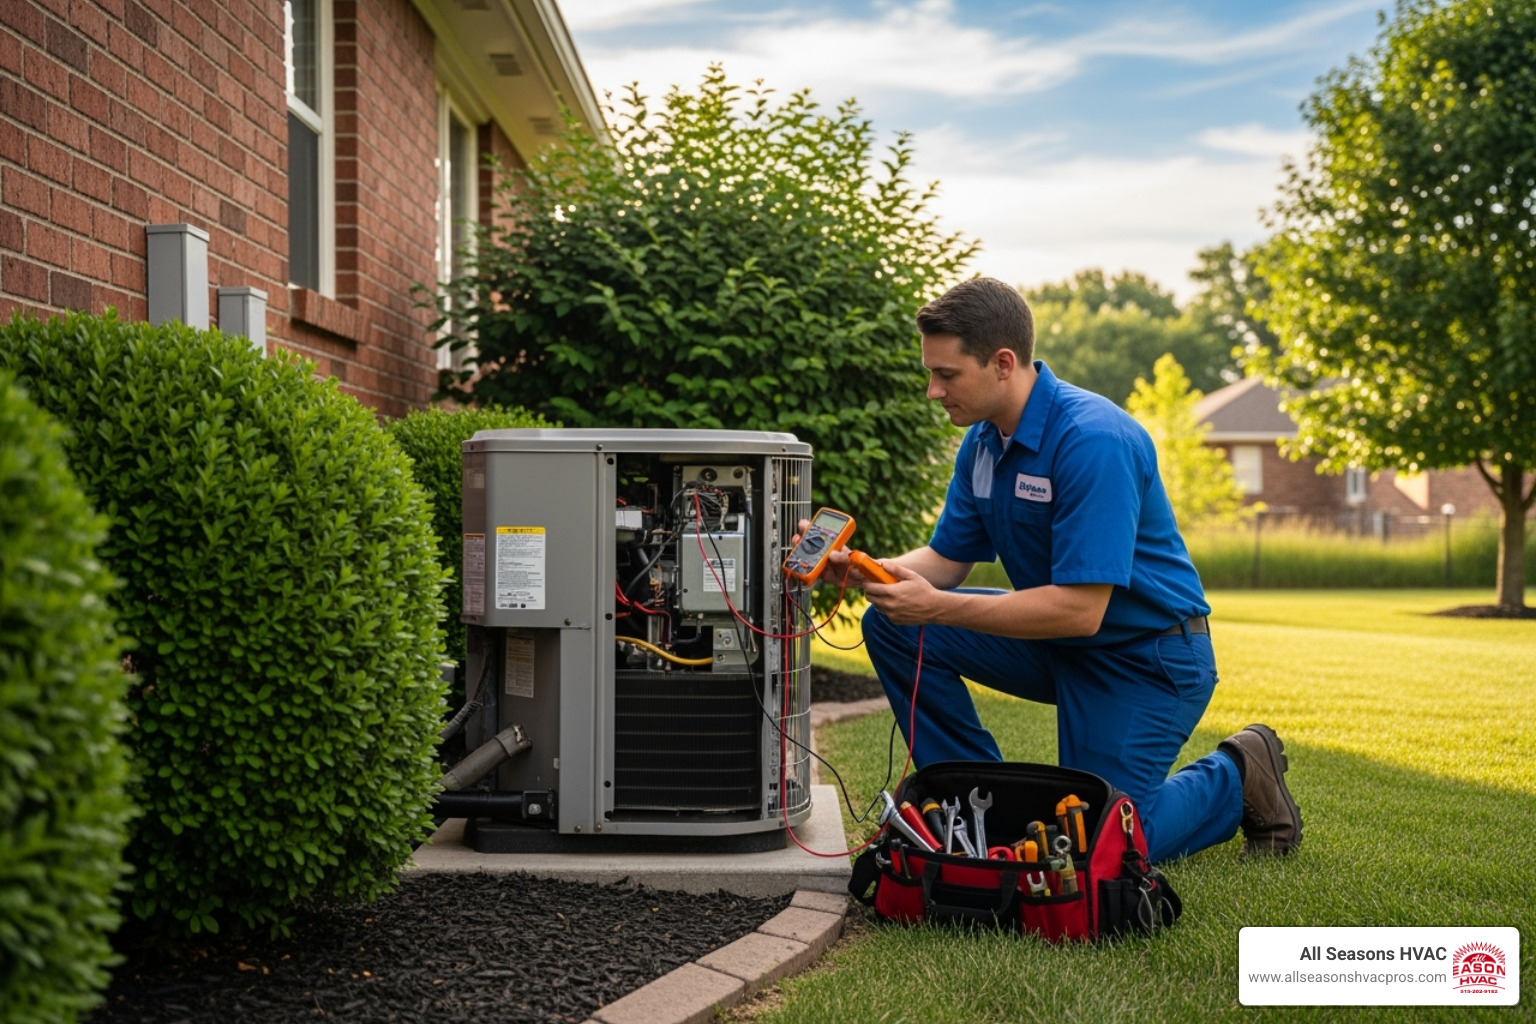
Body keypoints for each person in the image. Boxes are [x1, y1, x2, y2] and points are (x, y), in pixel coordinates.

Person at [820, 277, 1300, 862]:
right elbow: (947, 560)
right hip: (1059, 644)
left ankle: (1239, 772)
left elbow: (1080, 608)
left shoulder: (1093, 440)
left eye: (946, 374)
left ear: (1002, 363)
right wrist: (866, 570)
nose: (932, 391)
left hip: (1146, 658)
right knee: (895, 624)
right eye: (931, 373)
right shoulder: (982, 444)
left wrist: (939, 605)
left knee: (1098, 851)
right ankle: (979, 807)